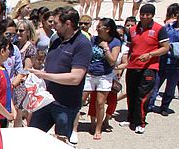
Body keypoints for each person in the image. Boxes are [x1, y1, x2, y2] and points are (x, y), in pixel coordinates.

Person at [27, 7, 93, 139]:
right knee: (32, 137)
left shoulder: (82, 44)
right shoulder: (56, 39)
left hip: (65, 104)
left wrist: (44, 75)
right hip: (46, 100)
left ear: (68, 24)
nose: (52, 25)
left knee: (62, 144)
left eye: (56, 23)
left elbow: (75, 78)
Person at [124, 4, 169, 134]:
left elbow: (165, 47)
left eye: (147, 15)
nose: (144, 17)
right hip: (133, 66)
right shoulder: (132, 29)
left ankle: (140, 123)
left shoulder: (159, 29)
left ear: (152, 15)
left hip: (149, 67)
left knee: (142, 96)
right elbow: (129, 48)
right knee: (131, 93)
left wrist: (150, 54)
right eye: (142, 14)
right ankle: (131, 118)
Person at [84, 18, 121, 140]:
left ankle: (98, 128)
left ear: (108, 29)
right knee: (81, 101)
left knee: (100, 103)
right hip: (90, 74)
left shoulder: (115, 42)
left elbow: (112, 61)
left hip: (104, 75)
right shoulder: (93, 39)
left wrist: (105, 47)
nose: (97, 28)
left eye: (100, 26)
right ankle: (75, 127)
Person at [13, 20, 38, 127]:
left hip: (21, 83)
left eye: (21, 30)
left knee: (18, 112)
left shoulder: (30, 48)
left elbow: (27, 69)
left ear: (28, 32)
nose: (18, 32)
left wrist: (16, 82)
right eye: (17, 30)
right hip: (11, 79)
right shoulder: (14, 45)